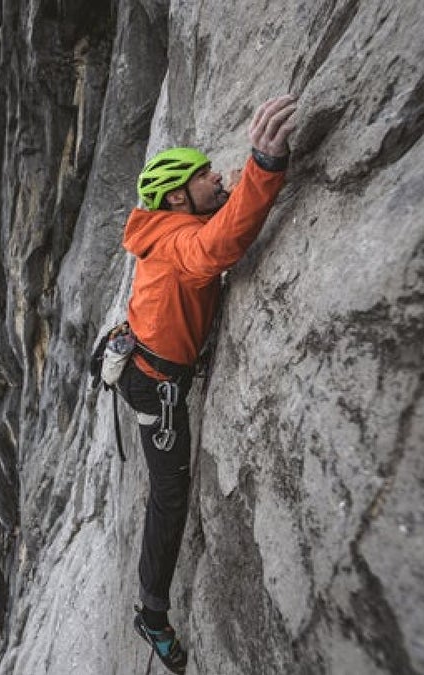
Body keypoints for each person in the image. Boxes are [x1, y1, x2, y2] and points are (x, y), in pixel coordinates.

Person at [119, 95, 298, 673]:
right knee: (169, 498)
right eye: (205, 177)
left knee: (167, 493)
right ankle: (151, 612)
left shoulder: (171, 223)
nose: (218, 177)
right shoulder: (177, 239)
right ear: (178, 196)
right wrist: (264, 167)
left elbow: (211, 236)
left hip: (151, 367)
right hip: (156, 388)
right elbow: (216, 247)